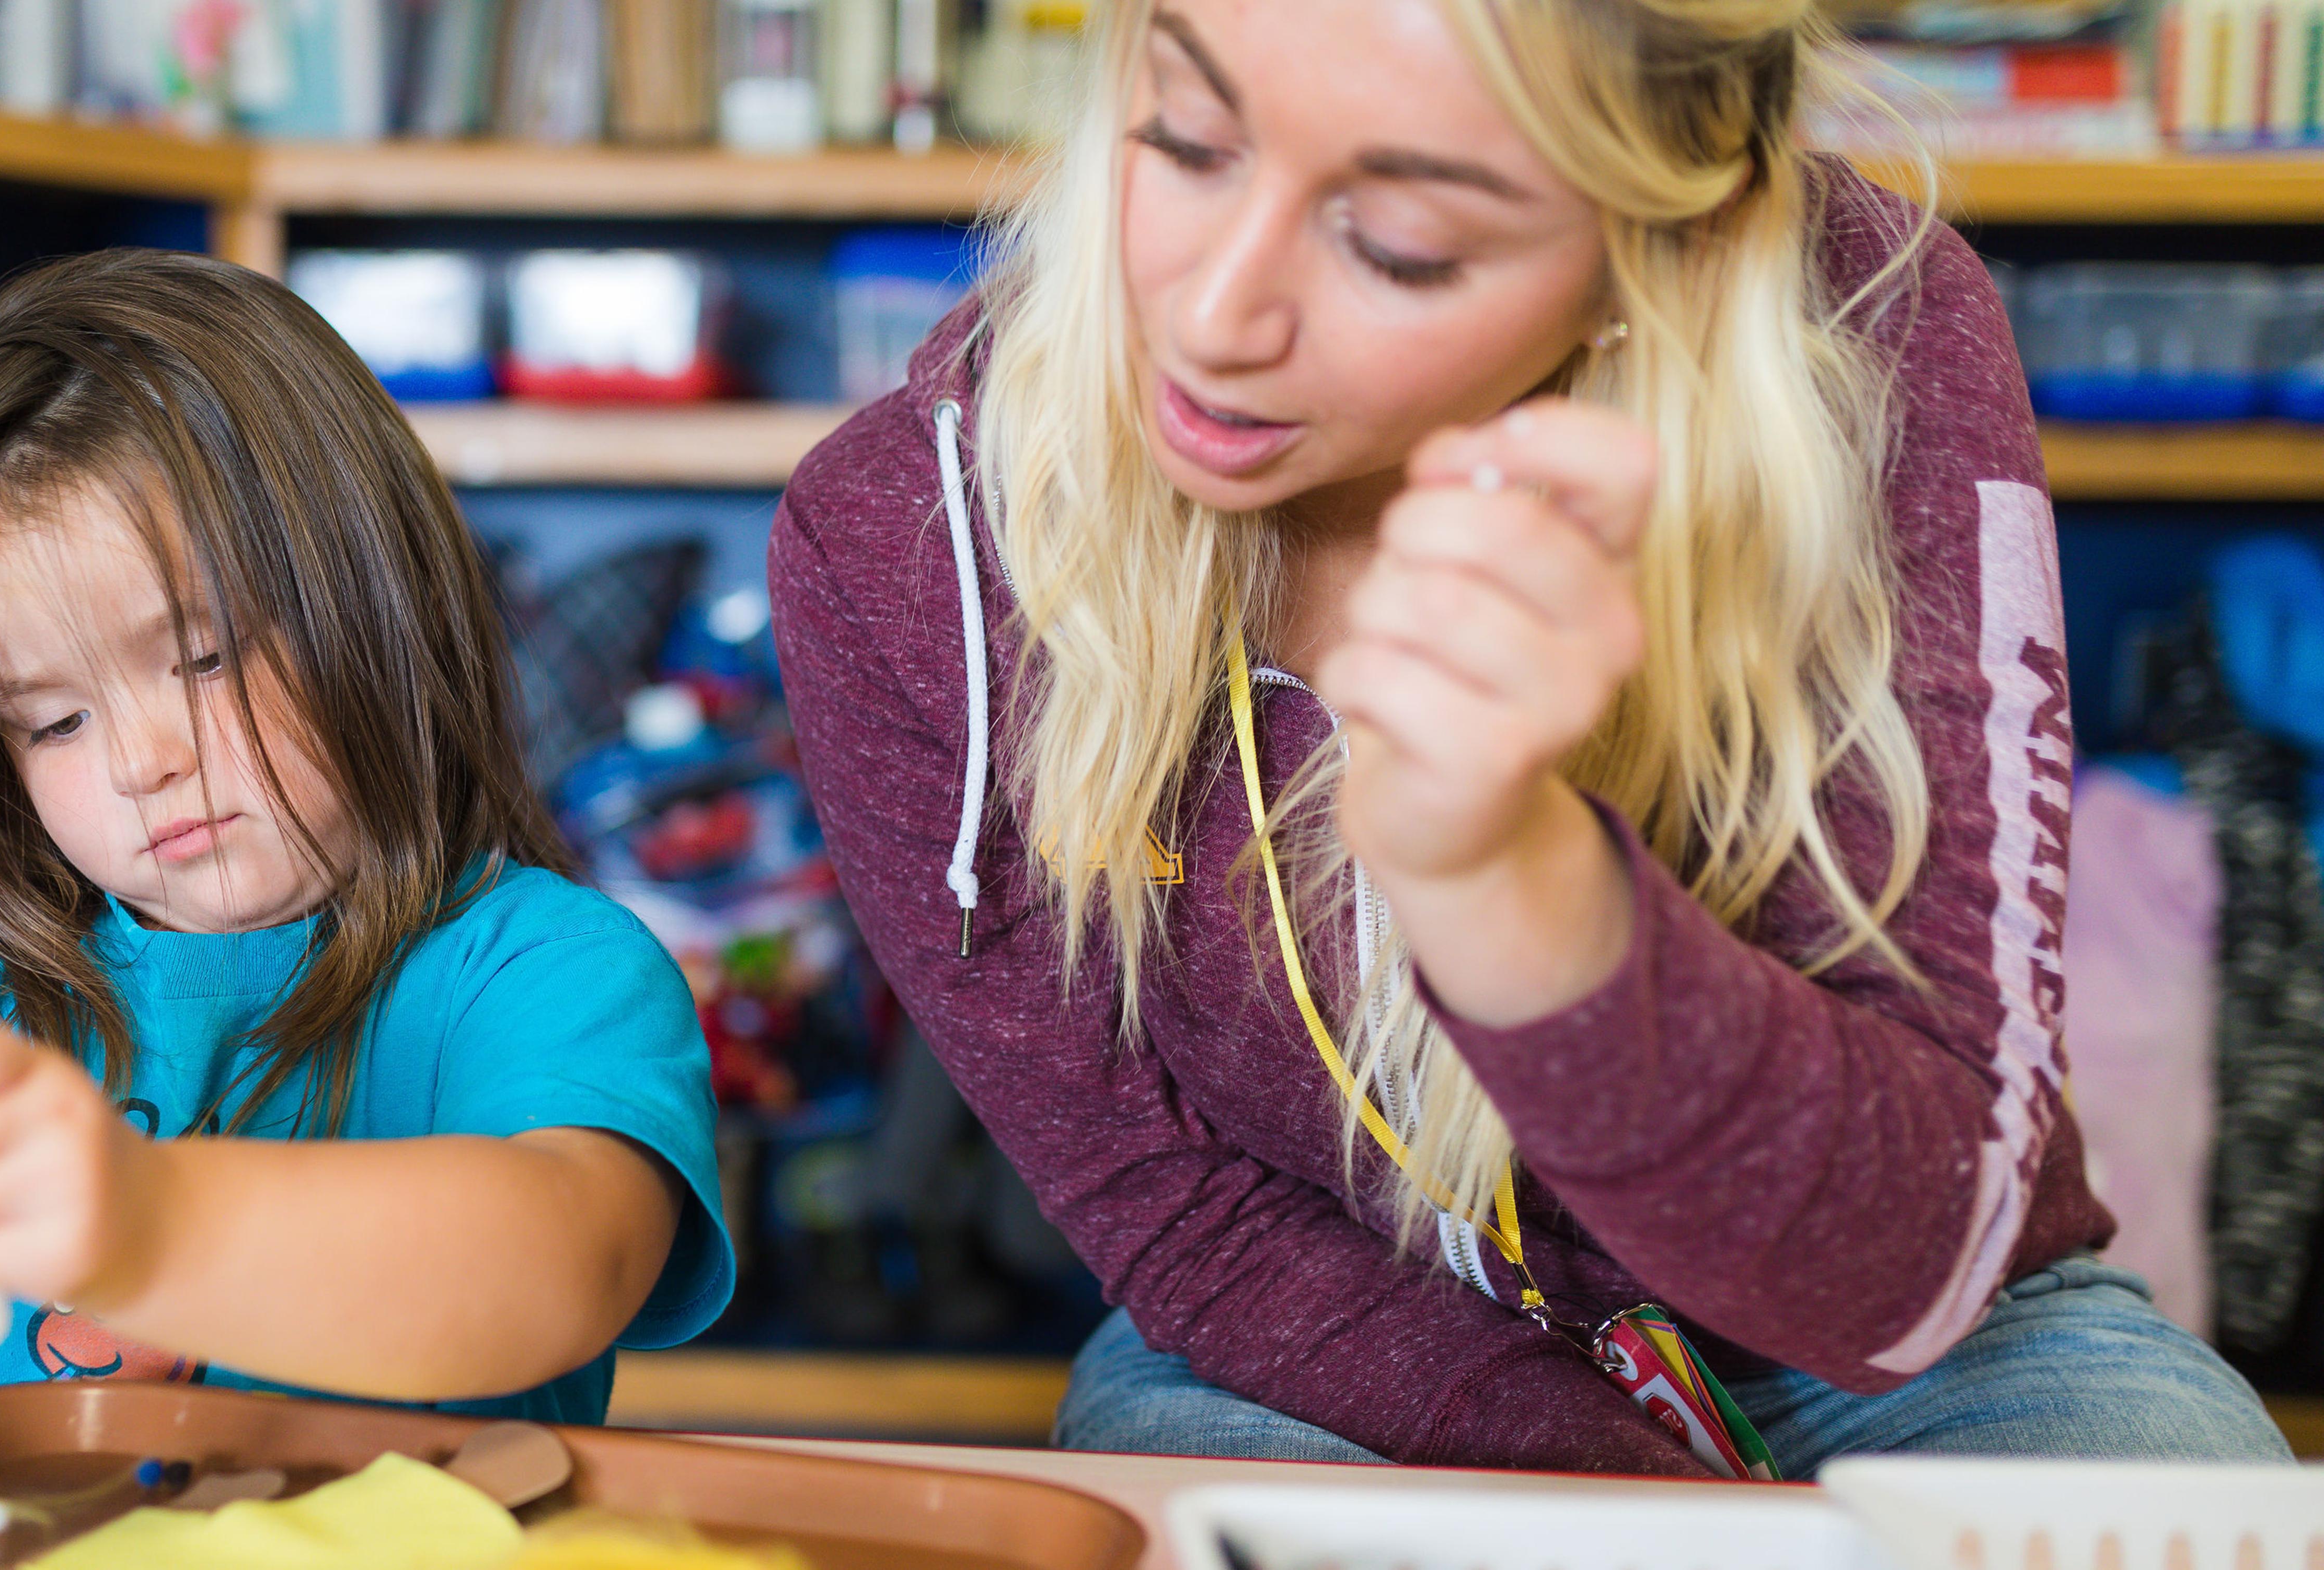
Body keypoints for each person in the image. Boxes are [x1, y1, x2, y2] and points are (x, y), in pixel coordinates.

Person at [770, 0, 2288, 1475]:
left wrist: (1521, 886)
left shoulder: (1871, 329)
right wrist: (1652, 1518)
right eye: (1185, 142)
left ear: (1661, 238)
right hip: (1330, 1344)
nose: (1214, 313)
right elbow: (1186, 1224)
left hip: (1908, 1354)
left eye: (1402, 247)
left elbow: (1905, 1273)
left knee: (2183, 1474)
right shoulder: (894, 542)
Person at [0, 249, 731, 1422]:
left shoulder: (550, 970)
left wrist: (146, 1219)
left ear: (375, 591)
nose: (139, 761)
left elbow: (557, 1264)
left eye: (204, 656)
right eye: (54, 720)